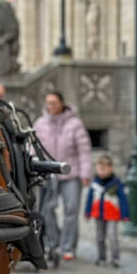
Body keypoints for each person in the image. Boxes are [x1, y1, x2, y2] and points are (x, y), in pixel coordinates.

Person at [34, 90, 92, 262]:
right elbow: (33, 147)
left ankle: (68, 247)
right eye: (48, 103)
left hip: (71, 173)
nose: (51, 106)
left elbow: (84, 150)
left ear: (62, 103)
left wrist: (85, 173)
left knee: (71, 210)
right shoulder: (40, 123)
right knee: (47, 209)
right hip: (48, 174)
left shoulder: (75, 124)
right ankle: (53, 242)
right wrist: (35, 164)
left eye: (54, 103)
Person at [84, 154, 129, 267]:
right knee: (100, 237)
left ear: (111, 169)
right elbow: (89, 199)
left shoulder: (116, 183)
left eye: (104, 169)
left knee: (112, 236)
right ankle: (101, 257)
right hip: (99, 214)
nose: (102, 172)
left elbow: (123, 200)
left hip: (112, 214)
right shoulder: (95, 184)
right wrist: (87, 212)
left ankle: (115, 258)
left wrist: (125, 215)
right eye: (100, 169)